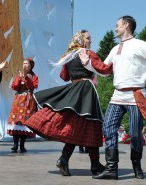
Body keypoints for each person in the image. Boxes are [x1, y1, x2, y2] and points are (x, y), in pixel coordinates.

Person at [24, 30, 108, 176]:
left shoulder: (68, 56)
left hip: (74, 89)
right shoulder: (87, 53)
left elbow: (64, 76)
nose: (91, 41)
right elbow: (102, 68)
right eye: (88, 38)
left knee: (77, 127)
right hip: (86, 90)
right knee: (92, 124)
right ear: (80, 40)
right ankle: (93, 164)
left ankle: (67, 159)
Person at [79, 15, 145, 180]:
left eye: (117, 25)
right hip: (117, 94)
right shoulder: (115, 49)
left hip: (135, 94)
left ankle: (137, 166)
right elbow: (105, 69)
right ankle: (111, 168)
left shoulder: (141, 45)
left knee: (136, 134)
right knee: (108, 127)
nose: (115, 28)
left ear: (126, 25)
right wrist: (88, 63)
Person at [7, 58, 38, 153]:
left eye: (26, 64)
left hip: (28, 101)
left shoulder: (34, 76)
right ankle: (15, 144)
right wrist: (19, 78)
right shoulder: (19, 75)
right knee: (16, 121)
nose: (24, 65)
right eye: (23, 63)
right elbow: (14, 87)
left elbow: (32, 86)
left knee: (24, 122)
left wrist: (26, 77)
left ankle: (22, 145)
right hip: (18, 100)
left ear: (31, 66)